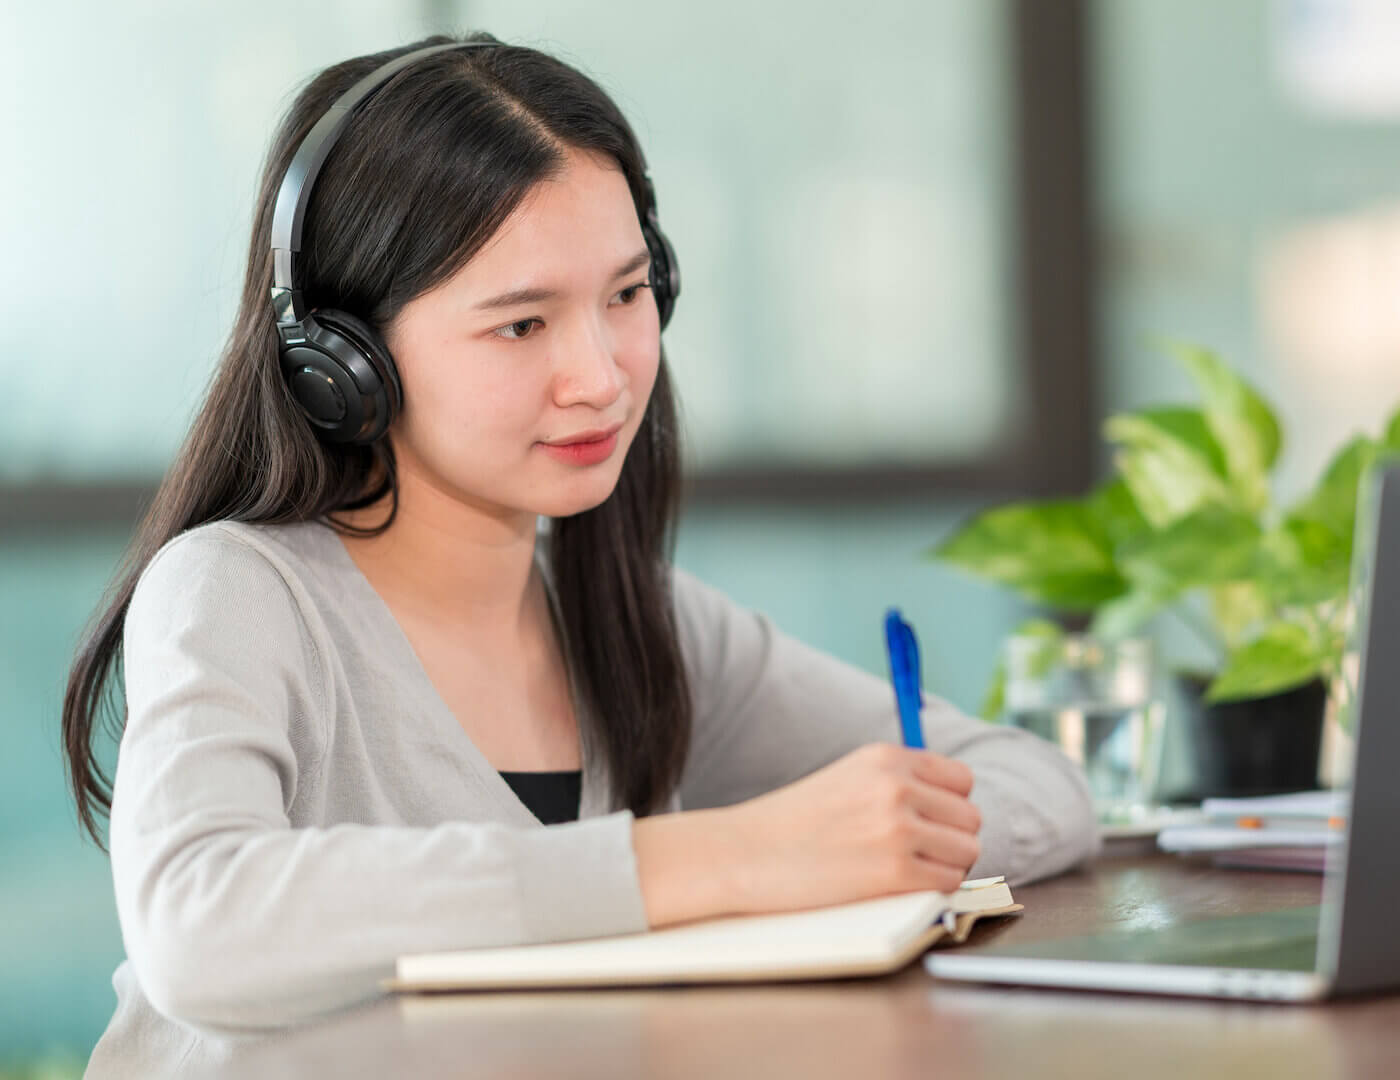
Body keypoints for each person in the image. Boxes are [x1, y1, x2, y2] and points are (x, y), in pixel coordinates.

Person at [60, 33, 1097, 1077]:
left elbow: (1041, 788)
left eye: (627, 295)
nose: (601, 376)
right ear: (344, 361)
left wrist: (881, 842)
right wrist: (723, 859)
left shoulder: (636, 618)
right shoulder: (239, 590)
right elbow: (203, 927)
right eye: (521, 325)